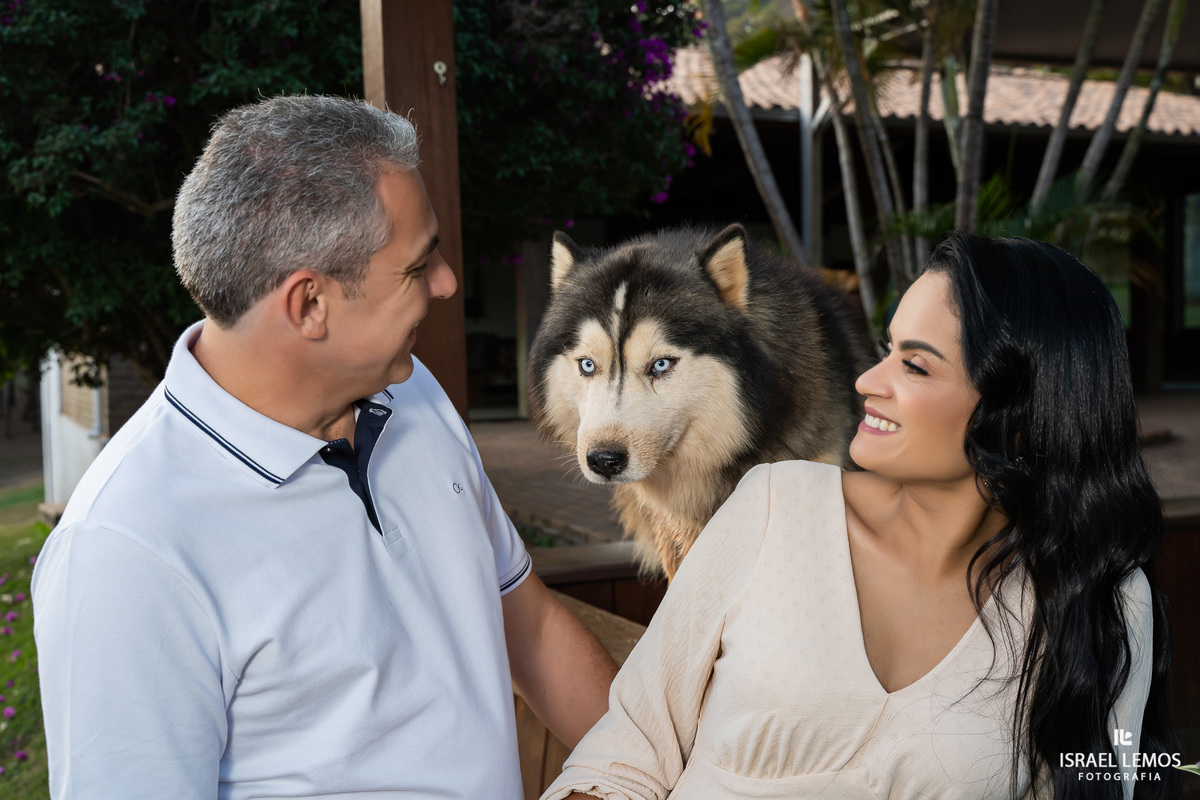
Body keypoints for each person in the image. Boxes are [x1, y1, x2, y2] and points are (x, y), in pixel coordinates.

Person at [32, 94, 617, 799]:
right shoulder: (128, 549)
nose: (447, 283)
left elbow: (531, 631)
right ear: (309, 305)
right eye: (417, 265)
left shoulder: (413, 392)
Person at [541, 233, 1176, 800]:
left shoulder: (1109, 604)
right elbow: (626, 755)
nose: (869, 379)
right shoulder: (771, 507)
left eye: (916, 365)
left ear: (1023, 415)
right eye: (886, 348)